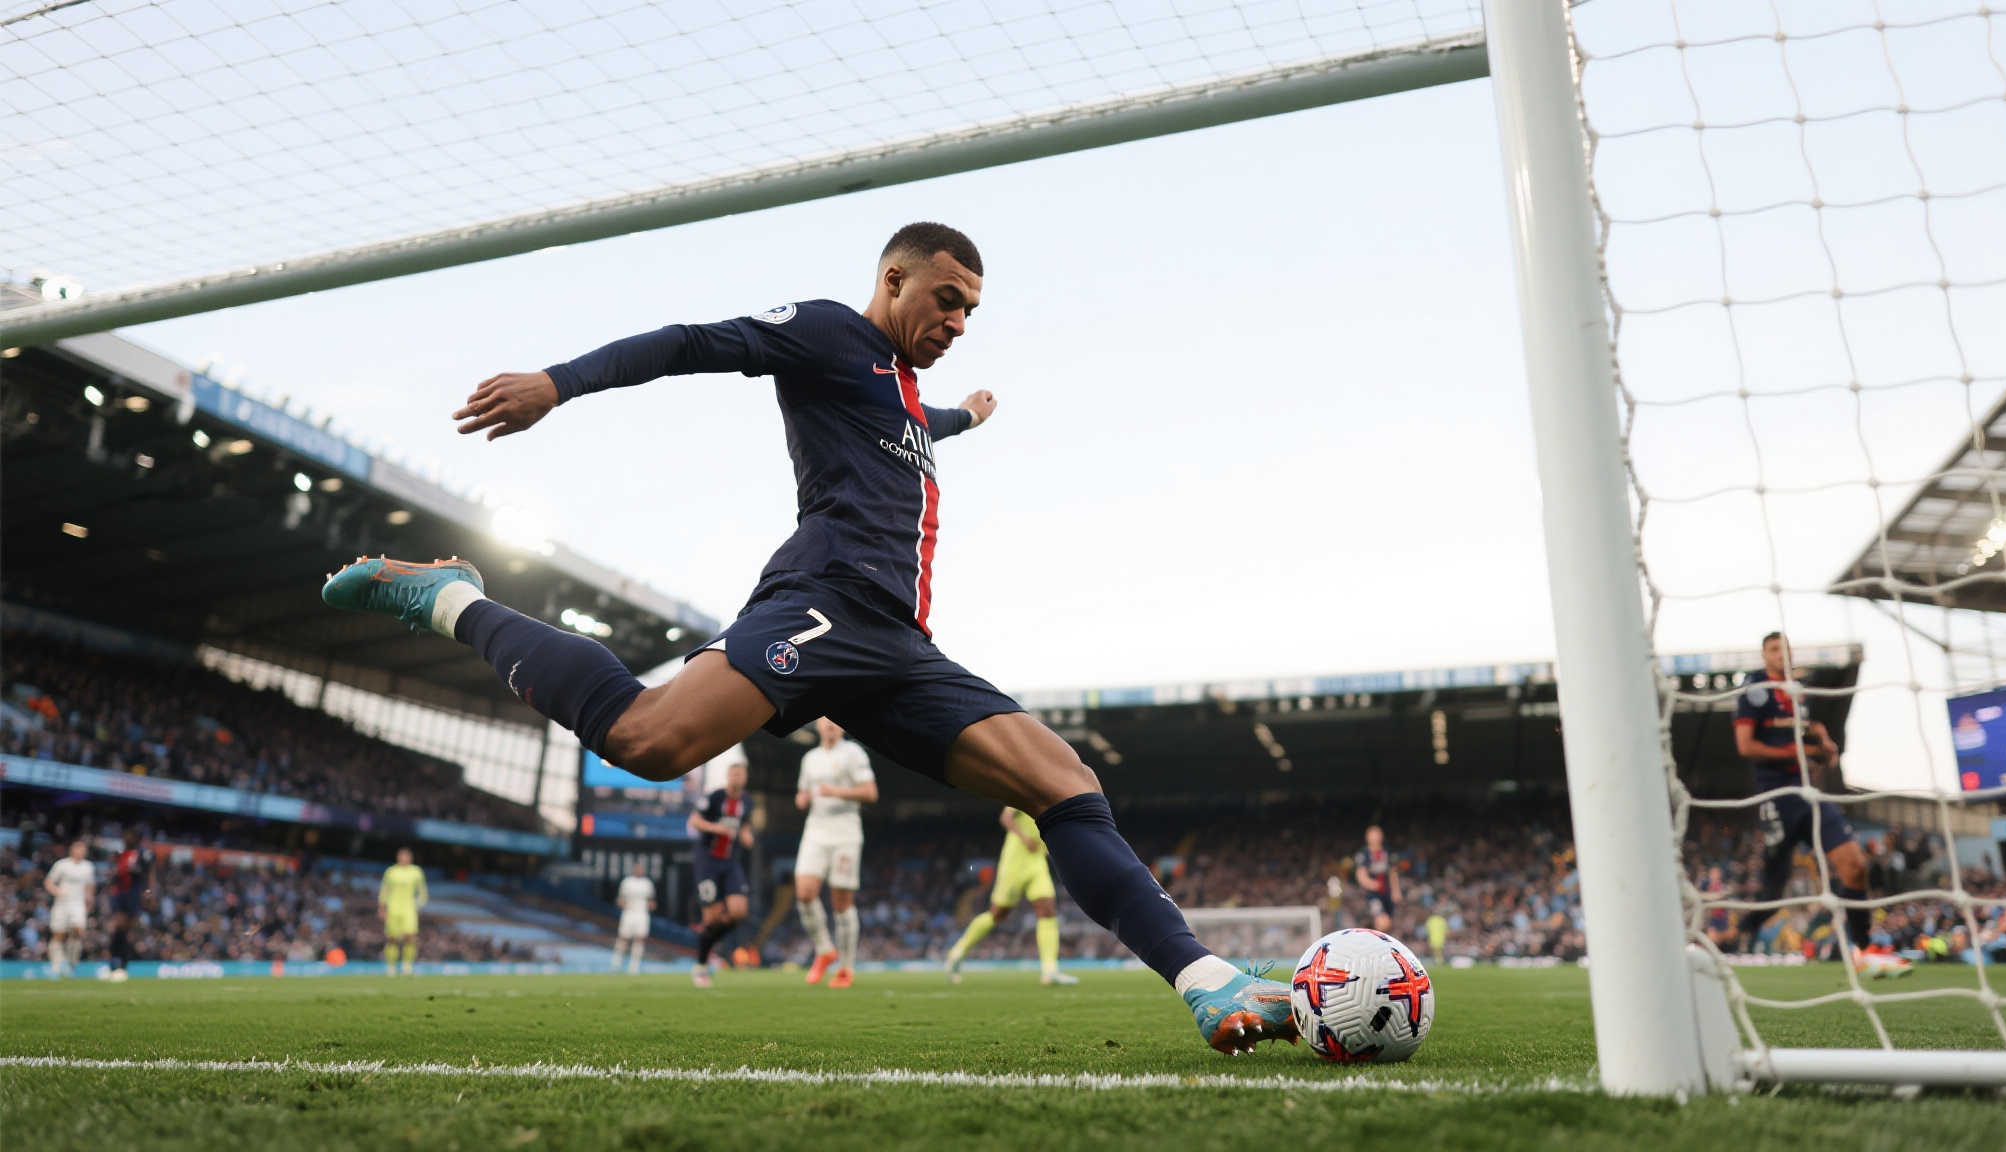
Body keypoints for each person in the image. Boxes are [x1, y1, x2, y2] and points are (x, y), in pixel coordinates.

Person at [321, 221, 1294, 1051]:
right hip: (824, 603)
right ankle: (451, 600)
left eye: (970, 312)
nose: (958, 323)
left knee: (1065, 784)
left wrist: (967, 415)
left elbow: (916, 425)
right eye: (946, 301)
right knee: (647, 740)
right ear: (893, 279)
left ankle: (1205, 979)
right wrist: (557, 382)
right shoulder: (830, 335)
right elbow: (694, 342)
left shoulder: (902, 394)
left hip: (897, 647)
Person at [1732, 632, 1910, 977]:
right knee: (1772, 893)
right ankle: (1733, 937)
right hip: (1776, 798)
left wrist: (1823, 742)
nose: (1780, 654)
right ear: (1764, 655)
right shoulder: (1754, 689)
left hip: (1808, 794)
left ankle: (1863, 949)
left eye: (1785, 648)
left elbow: (1809, 729)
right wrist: (1796, 752)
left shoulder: (1798, 692)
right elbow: (1745, 746)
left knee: (1855, 866)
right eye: (1773, 649)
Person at [943, 807, 1079, 986]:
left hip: (1036, 861)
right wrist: (1025, 838)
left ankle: (1050, 971)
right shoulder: (1026, 793)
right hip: (1015, 862)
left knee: (1047, 910)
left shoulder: (1055, 802)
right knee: (998, 914)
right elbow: (1006, 817)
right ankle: (957, 952)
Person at [793, 718, 877, 988]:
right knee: (804, 893)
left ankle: (845, 967)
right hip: (816, 830)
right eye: (824, 719)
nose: (829, 724)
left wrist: (836, 791)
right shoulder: (810, 759)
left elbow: (870, 792)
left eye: (834, 720)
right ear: (817, 725)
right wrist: (802, 799)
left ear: (842, 726)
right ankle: (824, 950)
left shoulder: (854, 753)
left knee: (841, 902)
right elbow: (803, 793)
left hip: (845, 831)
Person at [687, 748, 754, 988]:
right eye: (733, 774)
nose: (736, 778)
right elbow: (694, 821)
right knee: (712, 918)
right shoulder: (715, 797)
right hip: (708, 862)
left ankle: (708, 942)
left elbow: (744, 827)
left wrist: (746, 835)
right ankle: (702, 964)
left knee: (739, 912)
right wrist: (717, 829)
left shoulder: (747, 802)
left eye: (740, 774)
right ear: (728, 776)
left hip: (730, 862)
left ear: (745, 777)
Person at [43, 840, 94, 979]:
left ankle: (71, 964)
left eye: (83, 850)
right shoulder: (62, 864)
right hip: (62, 903)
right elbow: (48, 882)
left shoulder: (88, 867)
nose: (81, 852)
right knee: (58, 934)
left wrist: (89, 900)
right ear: (72, 850)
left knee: (77, 931)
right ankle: (56, 966)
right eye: (78, 849)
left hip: (78, 904)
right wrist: (57, 892)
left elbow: (90, 885)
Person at [108, 829, 154, 980]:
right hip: (120, 894)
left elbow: (149, 874)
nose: (127, 839)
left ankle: (123, 965)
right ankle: (115, 963)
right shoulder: (120, 854)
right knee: (119, 928)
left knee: (129, 930)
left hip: (134, 894)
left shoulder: (142, 854)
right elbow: (112, 872)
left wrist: (148, 892)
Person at [379, 847, 429, 976]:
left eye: (406, 856)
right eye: (401, 856)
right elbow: (384, 889)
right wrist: (382, 907)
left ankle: (407, 966)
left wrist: (418, 905)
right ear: (398, 857)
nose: (404, 858)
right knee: (391, 938)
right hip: (393, 908)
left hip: (409, 909)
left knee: (410, 937)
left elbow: (423, 891)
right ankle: (391, 966)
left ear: (410, 858)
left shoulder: (416, 872)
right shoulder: (391, 871)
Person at [1353, 825, 1399, 933]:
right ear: (1367, 838)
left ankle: (1381, 937)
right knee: (1382, 920)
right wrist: (1369, 883)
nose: (1375, 839)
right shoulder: (1363, 854)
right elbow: (1360, 874)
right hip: (1373, 894)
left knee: (1388, 922)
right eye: (1372, 837)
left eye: (1377, 836)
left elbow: (1393, 872)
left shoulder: (1388, 852)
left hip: (1387, 892)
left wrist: (1396, 891)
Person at [613, 861, 656, 974]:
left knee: (639, 939)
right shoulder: (627, 882)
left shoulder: (647, 883)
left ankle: (634, 967)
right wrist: (623, 904)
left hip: (642, 914)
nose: (639, 870)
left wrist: (651, 905)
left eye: (641, 869)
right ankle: (616, 964)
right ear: (633, 869)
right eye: (637, 868)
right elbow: (619, 899)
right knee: (623, 938)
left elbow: (651, 900)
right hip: (629, 913)